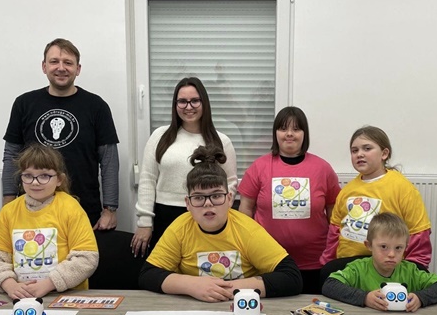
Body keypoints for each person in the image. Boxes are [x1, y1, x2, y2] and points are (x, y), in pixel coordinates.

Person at [138, 145, 302, 302]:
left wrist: (226, 289)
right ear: (188, 203)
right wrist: (192, 285)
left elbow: (291, 277)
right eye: (199, 197)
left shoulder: (247, 230)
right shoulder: (179, 228)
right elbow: (148, 274)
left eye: (216, 196)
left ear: (229, 199)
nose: (208, 204)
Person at [1, 38, 120, 229]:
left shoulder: (96, 106)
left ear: (78, 69)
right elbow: (11, 156)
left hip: (84, 208)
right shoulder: (24, 104)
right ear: (44, 66)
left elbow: (109, 161)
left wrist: (110, 209)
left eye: (68, 63)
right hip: (32, 208)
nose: (61, 68)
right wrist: (8, 203)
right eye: (54, 61)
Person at [238, 106, 340, 294]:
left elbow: (334, 214)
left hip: (315, 261)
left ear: (304, 134)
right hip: (269, 260)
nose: (289, 134)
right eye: (283, 128)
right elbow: (245, 211)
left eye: (296, 129)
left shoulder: (322, 168)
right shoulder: (259, 167)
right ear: (275, 133)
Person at [131, 77, 238, 257]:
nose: (188, 107)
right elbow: (148, 179)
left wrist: (219, 213)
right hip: (165, 214)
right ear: (175, 105)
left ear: (204, 103)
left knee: (202, 266)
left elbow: (231, 182)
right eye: (182, 101)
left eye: (195, 100)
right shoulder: (160, 136)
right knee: (166, 268)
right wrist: (145, 222)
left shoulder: (221, 141)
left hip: (206, 215)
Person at [319, 126, 432, 282]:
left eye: (367, 148)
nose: (359, 154)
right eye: (354, 151)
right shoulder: (347, 191)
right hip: (350, 265)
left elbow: (418, 233)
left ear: (384, 154)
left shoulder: (403, 188)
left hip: (386, 265)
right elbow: (334, 232)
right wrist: (327, 263)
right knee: (326, 274)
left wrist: (411, 270)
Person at [0, 144, 98, 300]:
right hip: (21, 296)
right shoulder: (8, 211)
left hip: (65, 296)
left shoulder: (71, 208)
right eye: (28, 175)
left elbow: (87, 258)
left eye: (44, 176)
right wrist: (10, 285)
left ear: (59, 179)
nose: (35, 182)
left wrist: (48, 284)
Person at [322, 213, 437, 312]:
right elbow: (330, 285)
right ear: (369, 245)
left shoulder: (411, 271)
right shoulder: (358, 269)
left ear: (406, 248)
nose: (391, 254)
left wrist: (421, 298)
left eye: (398, 248)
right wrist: (364, 297)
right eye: (383, 247)